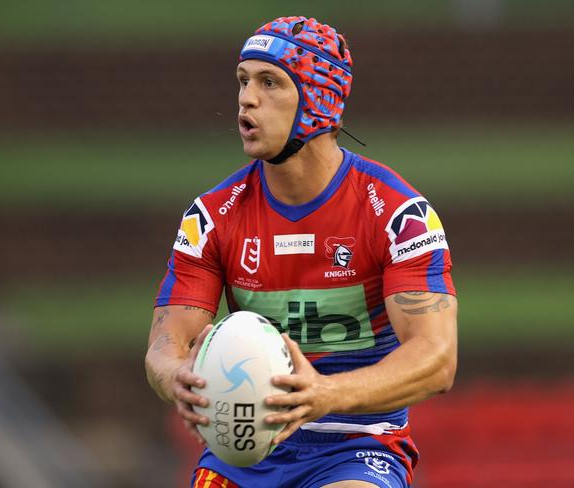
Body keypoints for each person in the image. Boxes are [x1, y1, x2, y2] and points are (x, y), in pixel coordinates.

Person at [145, 16, 458, 488]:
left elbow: (437, 359)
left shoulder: (395, 213)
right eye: (243, 81)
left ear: (318, 99)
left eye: (269, 82)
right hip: (242, 451)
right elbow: (165, 346)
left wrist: (325, 394)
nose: (247, 98)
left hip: (355, 448)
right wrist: (177, 379)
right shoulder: (212, 216)